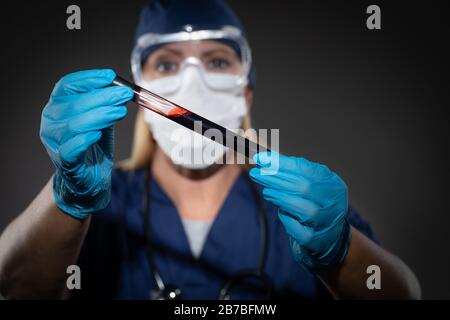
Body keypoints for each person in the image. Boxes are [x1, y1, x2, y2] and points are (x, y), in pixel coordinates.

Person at [0, 0, 420, 299]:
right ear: (140, 92)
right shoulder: (106, 205)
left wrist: (339, 251)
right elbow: (16, 286)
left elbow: (400, 294)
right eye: (166, 63)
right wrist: (69, 199)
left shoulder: (299, 209)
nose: (192, 81)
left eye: (217, 61)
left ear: (247, 91)